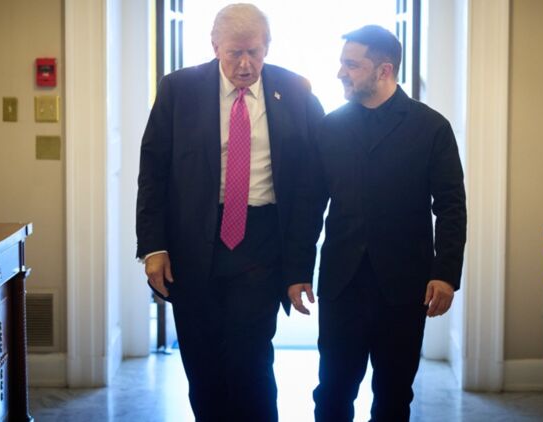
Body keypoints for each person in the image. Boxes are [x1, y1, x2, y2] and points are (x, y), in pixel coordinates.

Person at [135, 4, 324, 421]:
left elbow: (312, 185)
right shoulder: (179, 89)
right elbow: (153, 172)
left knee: (250, 359)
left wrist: (298, 266)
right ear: (215, 46)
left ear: (267, 46)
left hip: (261, 242)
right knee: (202, 364)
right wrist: (153, 247)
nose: (245, 64)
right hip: (193, 243)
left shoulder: (295, 91)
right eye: (234, 53)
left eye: (254, 52)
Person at [287, 25, 467, 421]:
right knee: (332, 391)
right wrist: (297, 270)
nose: (341, 73)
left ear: (384, 70)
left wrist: (446, 274)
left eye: (352, 65)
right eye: (342, 63)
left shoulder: (431, 128)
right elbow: (309, 205)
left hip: (406, 284)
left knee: (394, 394)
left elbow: (451, 206)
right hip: (342, 283)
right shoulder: (329, 127)